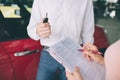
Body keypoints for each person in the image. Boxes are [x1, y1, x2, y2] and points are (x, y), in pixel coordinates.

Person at [27, 0, 95, 80]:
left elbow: (88, 32)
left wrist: (88, 52)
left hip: (73, 55)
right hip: (48, 54)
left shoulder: (85, 1)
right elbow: (31, 30)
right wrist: (37, 31)